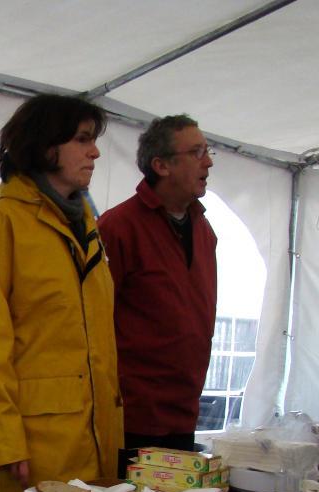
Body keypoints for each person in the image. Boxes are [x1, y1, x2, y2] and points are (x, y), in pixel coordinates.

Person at [0, 94, 122, 492]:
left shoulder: (88, 232)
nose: (95, 152)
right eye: (83, 139)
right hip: (31, 449)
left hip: (98, 440)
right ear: (46, 146)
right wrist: (3, 442)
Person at [98, 114, 217, 463]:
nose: (208, 162)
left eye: (208, 152)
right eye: (196, 152)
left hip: (185, 410)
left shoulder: (204, 230)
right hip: (134, 417)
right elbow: (93, 323)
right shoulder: (118, 227)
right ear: (161, 165)